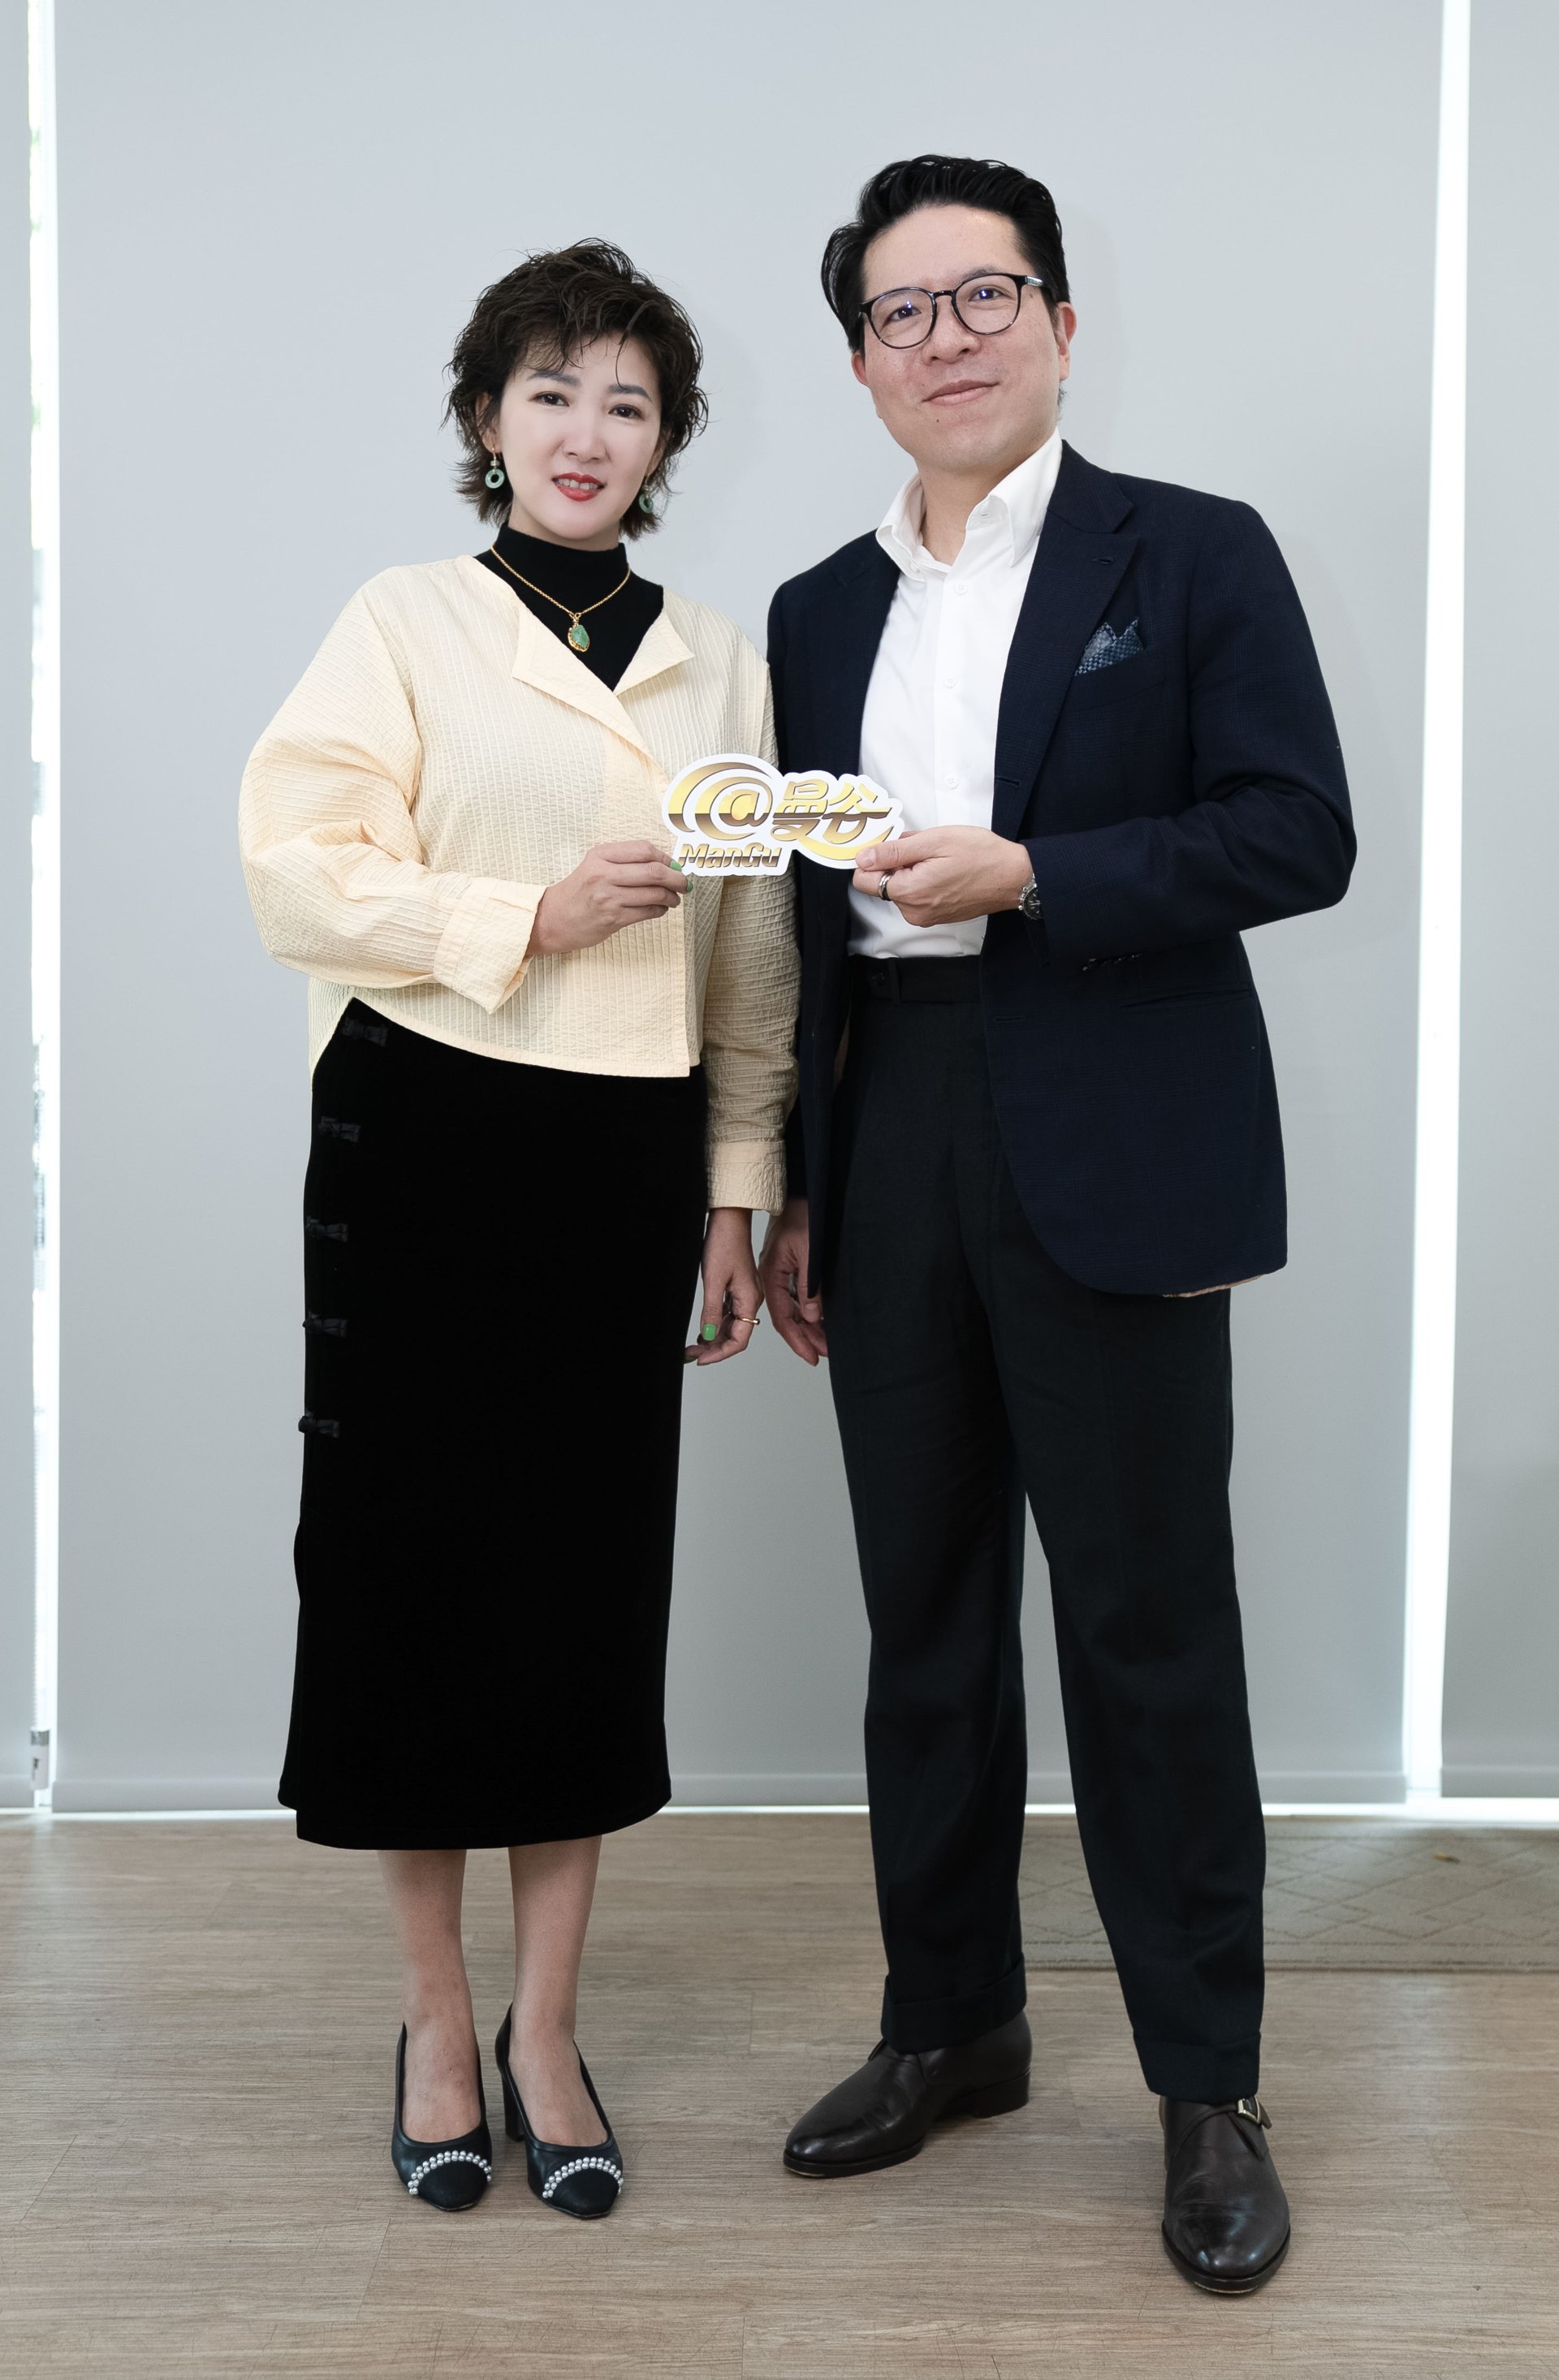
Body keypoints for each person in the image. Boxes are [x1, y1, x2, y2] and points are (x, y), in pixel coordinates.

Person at [758, 156, 1353, 2293]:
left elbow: (1298, 829)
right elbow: (801, 917)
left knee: (1145, 1627)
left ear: (1064, 322)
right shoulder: (815, 609)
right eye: (902, 312)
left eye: (985, 293)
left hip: (1113, 1117)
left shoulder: (1189, 551)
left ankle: (1208, 2081)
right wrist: (804, 1179)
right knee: (922, 1616)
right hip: (894, 1122)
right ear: (862, 363)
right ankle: (955, 2020)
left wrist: (1039, 876)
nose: (949, 337)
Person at [240, 242, 797, 2218]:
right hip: (421, 1128)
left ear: (664, 445)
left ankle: (547, 2029)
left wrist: (740, 1182)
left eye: (627, 402)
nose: (586, 430)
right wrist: (526, 916)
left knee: (578, 1586)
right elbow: (295, 867)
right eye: (550, 390)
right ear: (488, 417)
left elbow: (752, 946)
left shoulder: (717, 657)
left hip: (623, 1158)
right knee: (409, 1580)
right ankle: (430, 2018)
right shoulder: (403, 621)